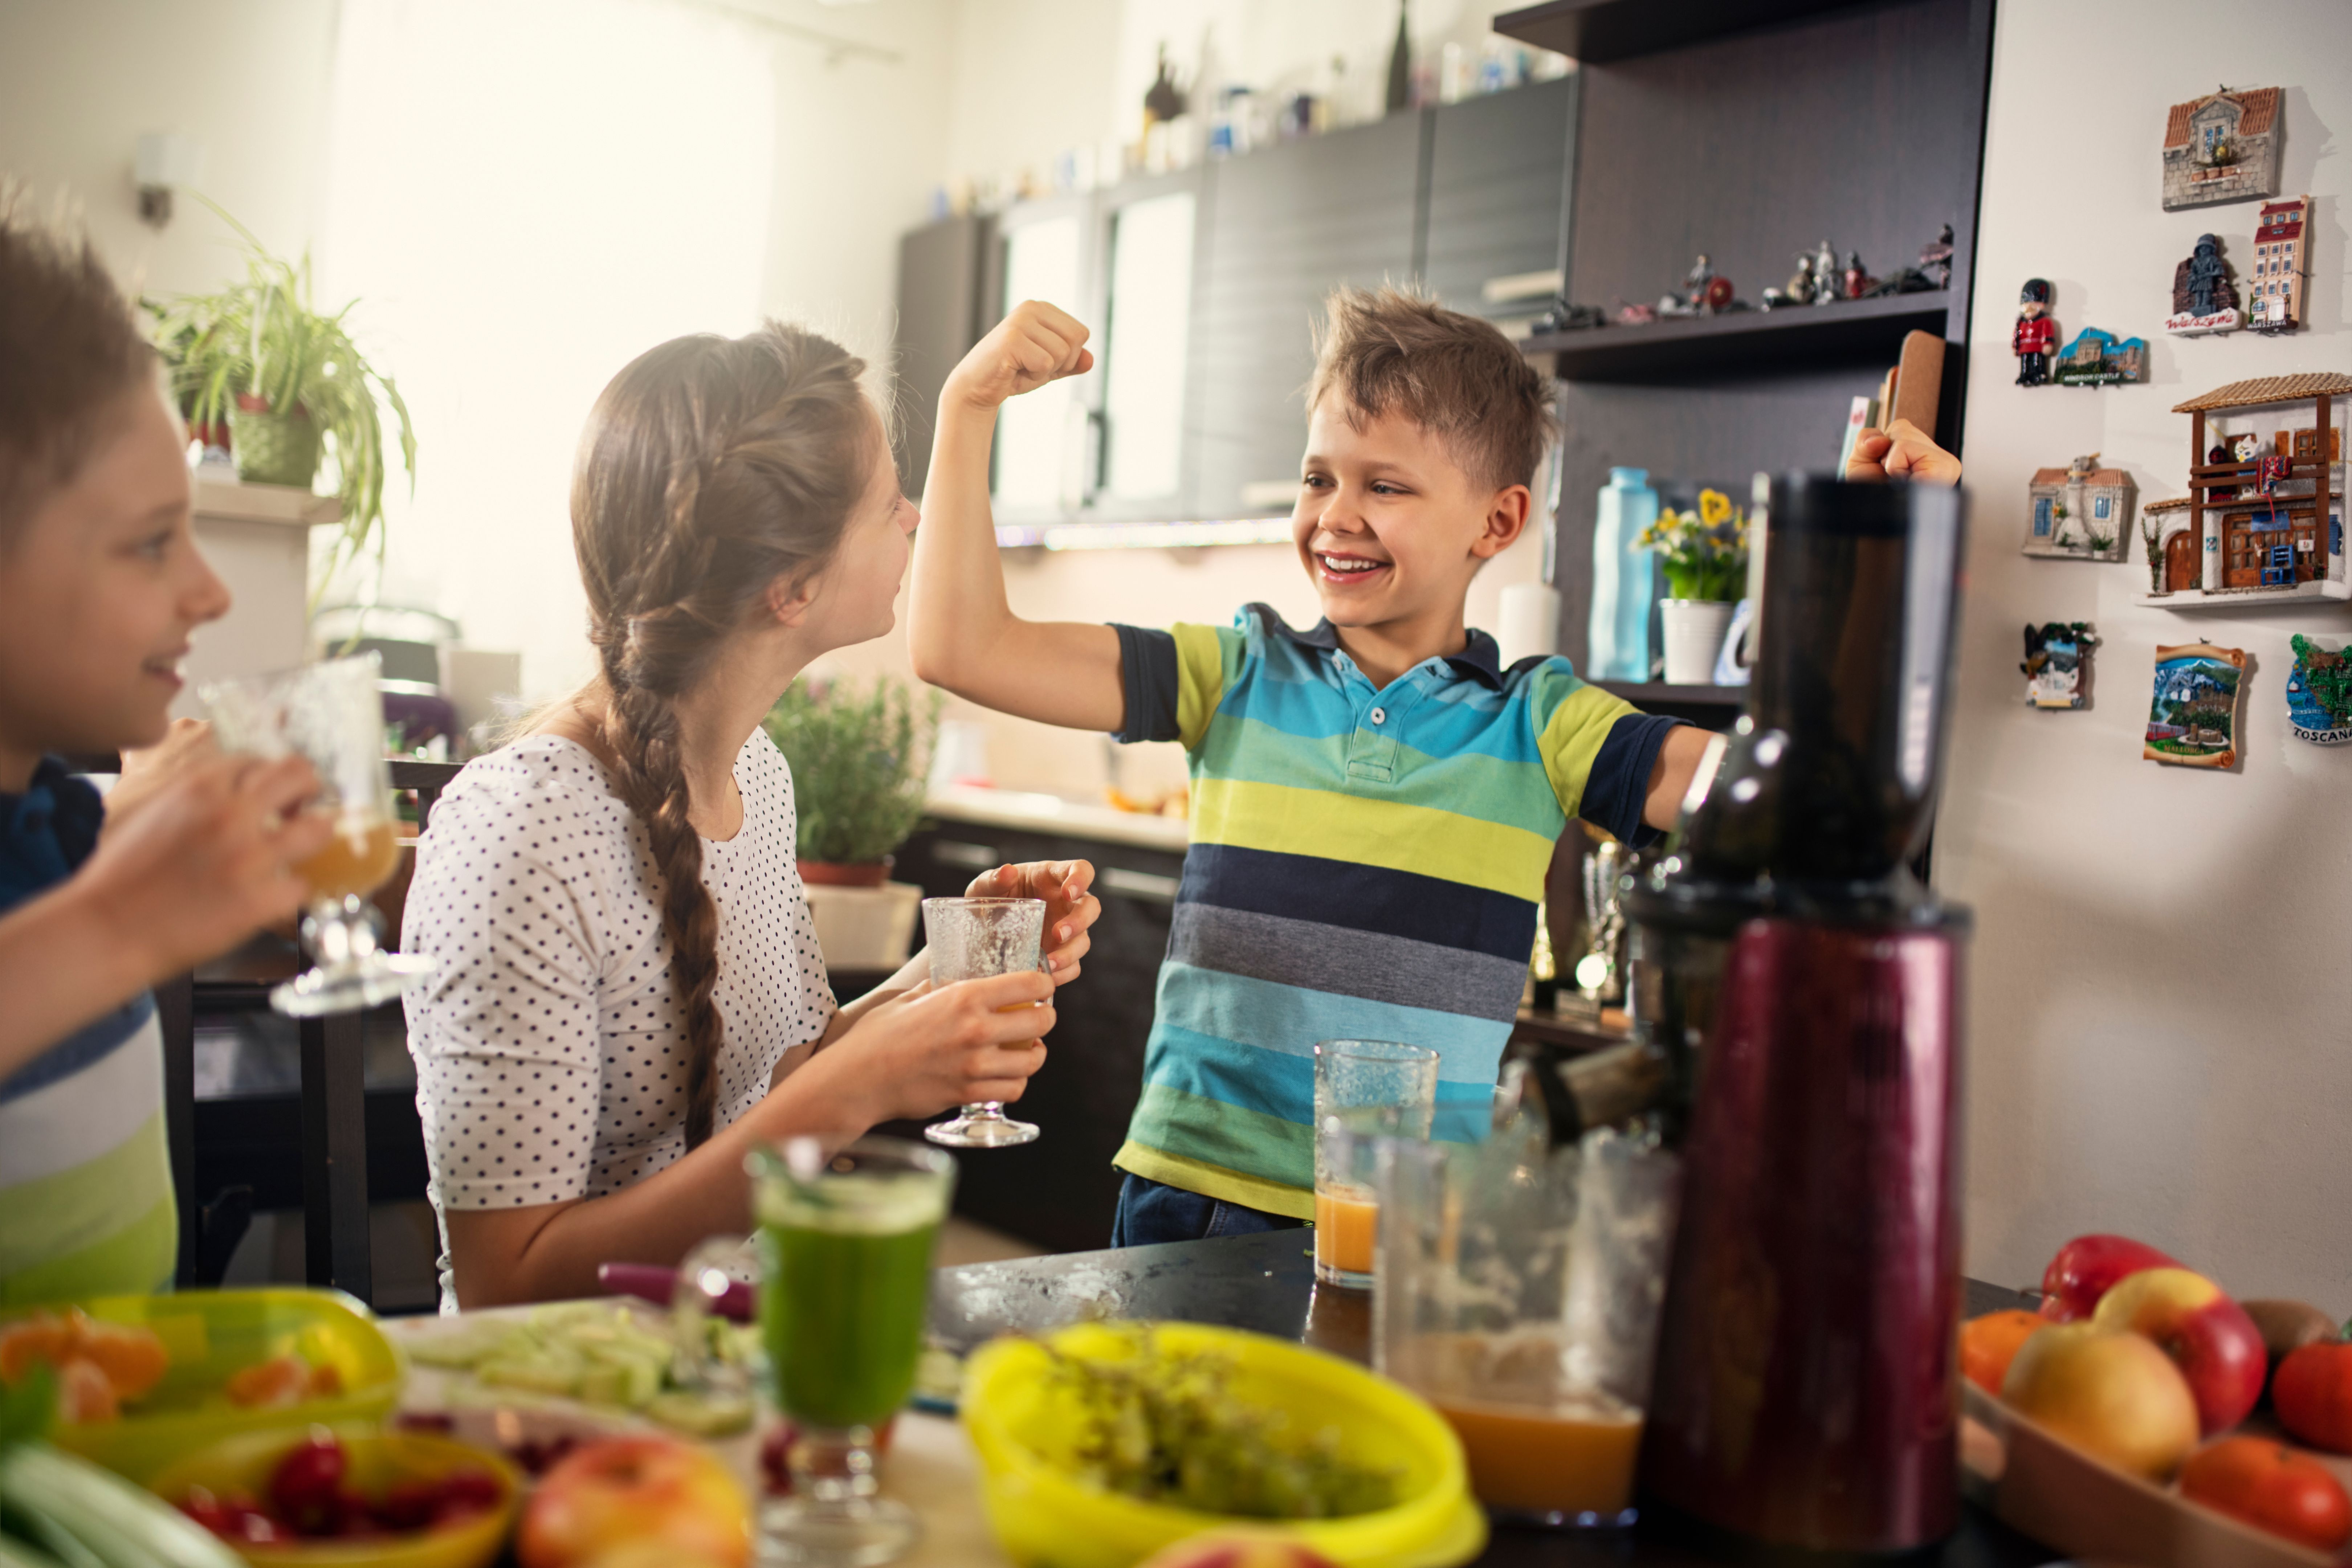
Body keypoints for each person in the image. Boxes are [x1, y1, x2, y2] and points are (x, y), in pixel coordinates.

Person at [908, 287, 1719, 1246]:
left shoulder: (1541, 725)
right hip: (1186, 1199)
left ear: (1497, 524)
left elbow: (1780, 796)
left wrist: (1868, 539)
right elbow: (965, 647)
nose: (1335, 516)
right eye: (1316, 479)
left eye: (1385, 486)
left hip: (1405, 1226)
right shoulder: (1234, 673)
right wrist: (966, 409)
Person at [402, 322, 1101, 1310]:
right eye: (883, 504)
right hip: (576, 1400)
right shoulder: (522, 830)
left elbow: (779, 1078)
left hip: (746, 1344)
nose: (911, 516)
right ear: (792, 587)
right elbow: (504, 1284)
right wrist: (866, 1085)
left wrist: (938, 982)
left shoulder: (756, 775)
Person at [0, 200, 335, 1304]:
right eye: (153, 542)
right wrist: (122, 918)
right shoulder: (90, 895)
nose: (211, 590)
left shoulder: (52, 825)